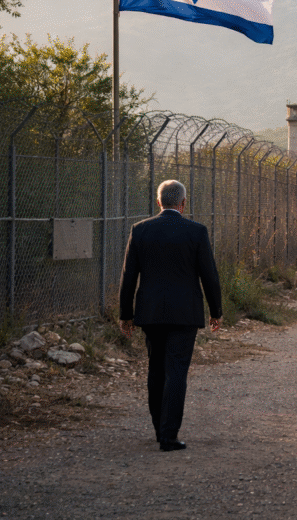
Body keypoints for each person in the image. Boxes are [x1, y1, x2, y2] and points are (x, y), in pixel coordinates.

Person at [118, 180, 223, 452]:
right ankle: (169, 434)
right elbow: (209, 275)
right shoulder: (196, 231)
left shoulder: (140, 230)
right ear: (183, 203)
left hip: (151, 313)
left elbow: (128, 276)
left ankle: (158, 429)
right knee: (176, 370)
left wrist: (125, 314)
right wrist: (216, 311)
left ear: (159, 202)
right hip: (185, 313)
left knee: (156, 369)